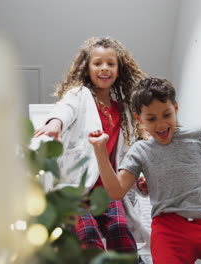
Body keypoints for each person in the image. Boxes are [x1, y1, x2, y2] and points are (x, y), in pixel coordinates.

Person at [88, 77, 201, 264]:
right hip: (169, 228)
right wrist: (100, 151)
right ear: (139, 119)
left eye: (166, 115)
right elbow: (116, 190)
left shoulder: (197, 135)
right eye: (151, 119)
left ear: (175, 108)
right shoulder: (140, 151)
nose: (161, 125)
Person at [33, 37, 151, 261]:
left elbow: (130, 154)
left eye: (110, 63)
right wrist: (55, 124)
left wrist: (140, 176)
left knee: (123, 239)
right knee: (89, 240)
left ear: (118, 70)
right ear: (87, 69)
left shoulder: (124, 111)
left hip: (107, 192)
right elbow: (64, 109)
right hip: (77, 190)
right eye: (97, 63)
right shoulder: (79, 96)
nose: (104, 68)